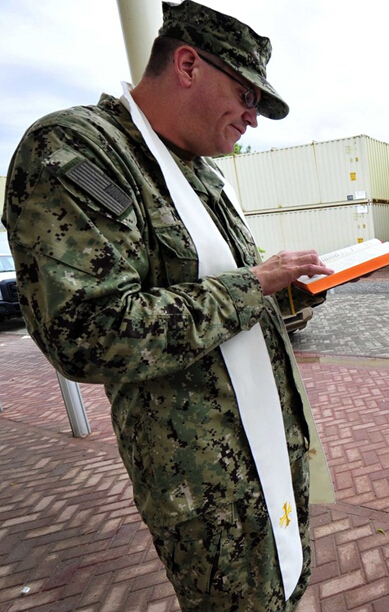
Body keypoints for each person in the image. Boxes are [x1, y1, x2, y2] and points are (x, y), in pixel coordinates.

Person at [2, 2, 335, 611]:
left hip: (268, 458)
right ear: (187, 64)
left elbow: (221, 291)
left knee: (286, 591)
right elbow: (87, 331)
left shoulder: (196, 171)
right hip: (210, 487)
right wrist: (255, 285)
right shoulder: (79, 150)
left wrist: (288, 287)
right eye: (246, 95)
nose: (253, 119)